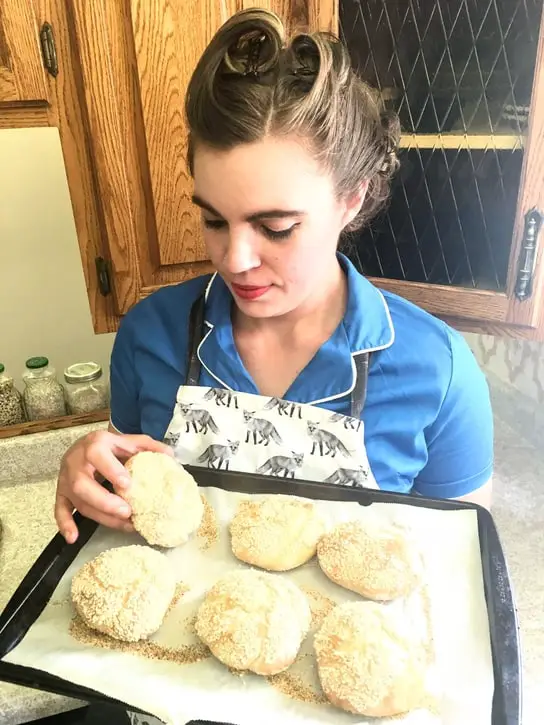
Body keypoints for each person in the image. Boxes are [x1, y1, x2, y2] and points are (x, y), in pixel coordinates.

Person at [56, 8, 493, 549]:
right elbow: (127, 496)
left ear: (351, 200)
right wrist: (92, 473)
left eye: (276, 227)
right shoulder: (151, 332)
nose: (234, 259)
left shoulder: (438, 370)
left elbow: (459, 565)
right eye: (214, 219)